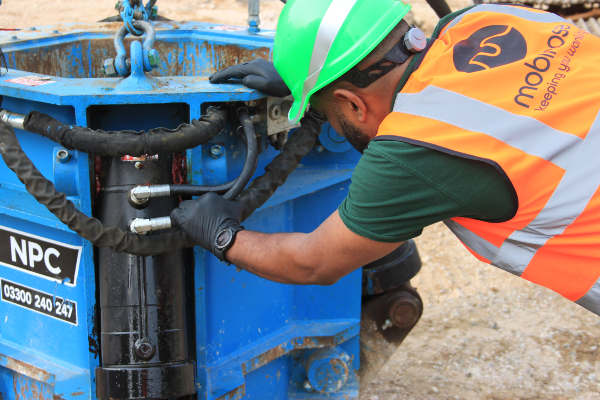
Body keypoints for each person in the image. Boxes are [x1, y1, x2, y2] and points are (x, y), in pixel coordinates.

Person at [171, 0, 600, 316]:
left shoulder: (415, 149)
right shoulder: (485, 19)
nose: (334, 127)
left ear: (353, 105)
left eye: (328, 116)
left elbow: (312, 262)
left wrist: (224, 236)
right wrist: (307, 78)